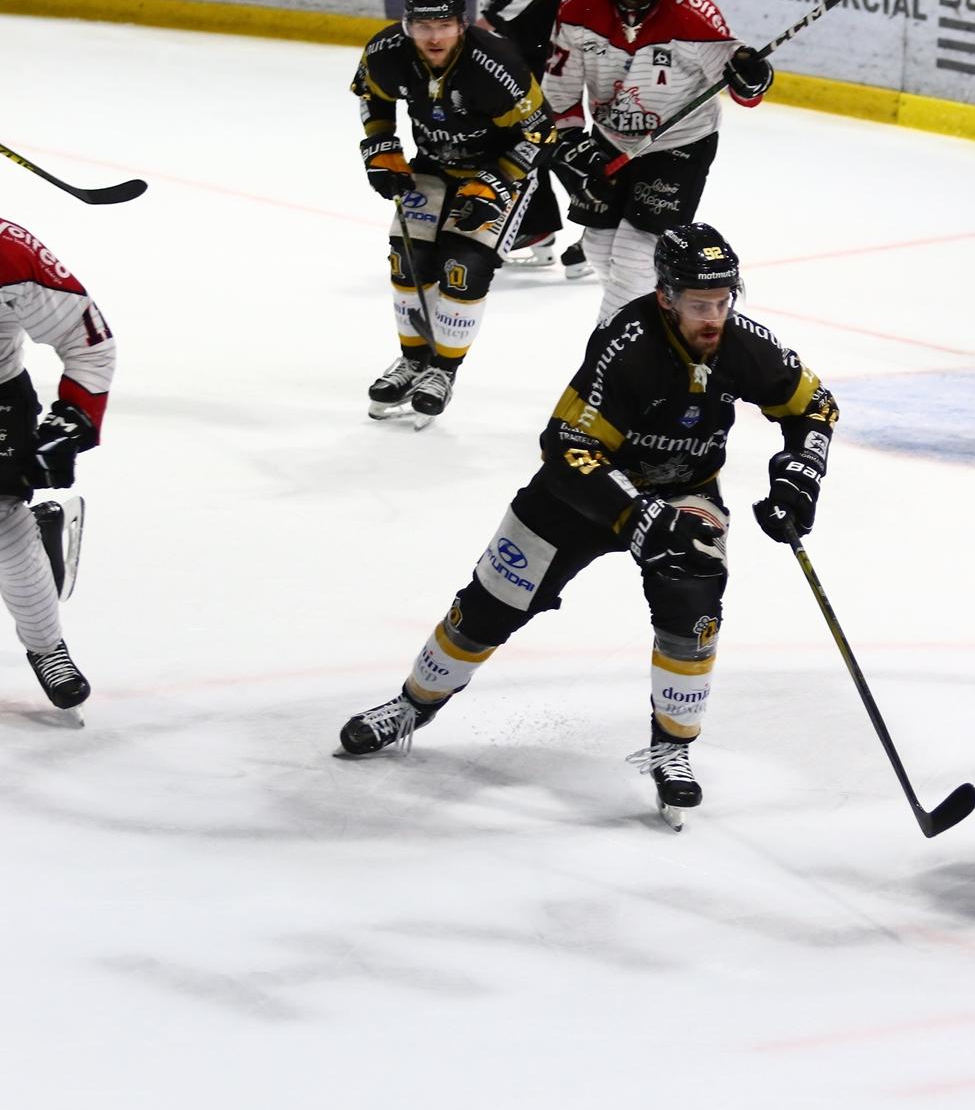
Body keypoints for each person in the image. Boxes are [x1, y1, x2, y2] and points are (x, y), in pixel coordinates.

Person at [337, 224, 839, 827]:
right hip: (584, 493)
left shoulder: (744, 344)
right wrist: (638, 514)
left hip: (683, 490)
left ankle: (672, 750)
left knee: (694, 601)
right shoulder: (628, 345)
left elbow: (815, 406)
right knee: (490, 605)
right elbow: (568, 444)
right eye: (699, 305)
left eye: (724, 302)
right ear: (666, 297)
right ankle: (412, 706)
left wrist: (799, 478)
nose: (714, 317)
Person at [353, 0, 558, 424]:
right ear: (408, 24)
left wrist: (497, 184)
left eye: (444, 25)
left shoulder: (495, 64)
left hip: (498, 169)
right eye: (423, 25)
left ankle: (443, 371)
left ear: (461, 24)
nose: (434, 37)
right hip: (430, 165)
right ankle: (412, 361)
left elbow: (541, 132)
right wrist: (381, 147)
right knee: (408, 262)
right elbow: (372, 95)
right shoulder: (387, 51)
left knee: (463, 269)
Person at [544, 0, 776, 325]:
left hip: (680, 143)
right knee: (597, 246)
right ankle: (648, 330)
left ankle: (612, 355)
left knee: (635, 254)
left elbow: (745, 89)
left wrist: (753, 78)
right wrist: (572, 142)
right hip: (610, 139)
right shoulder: (580, 5)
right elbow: (560, 88)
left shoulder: (691, 10)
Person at [0, 211, 113, 711]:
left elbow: (88, 343)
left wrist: (73, 421)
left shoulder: (7, 253)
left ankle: (46, 646)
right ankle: (42, 538)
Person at [477, 0, 596, 279]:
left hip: (547, 49)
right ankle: (535, 227)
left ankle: (604, 224)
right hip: (519, 47)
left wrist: (484, 26)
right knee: (519, 140)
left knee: (549, 138)